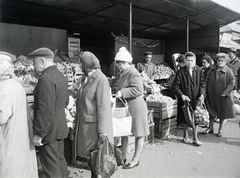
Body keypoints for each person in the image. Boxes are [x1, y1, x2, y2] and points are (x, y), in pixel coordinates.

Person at [28, 47, 69, 178]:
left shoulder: (45, 79)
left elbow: (45, 110)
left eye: (34, 63)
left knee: (51, 169)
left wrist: (39, 134)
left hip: (48, 130)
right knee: (60, 162)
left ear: (42, 61)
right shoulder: (60, 76)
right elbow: (65, 101)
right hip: (59, 128)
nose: (34, 66)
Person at [74, 51, 114, 178]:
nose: (80, 66)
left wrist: (103, 131)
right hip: (87, 129)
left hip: (95, 130)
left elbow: (104, 107)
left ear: (87, 64)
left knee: (98, 164)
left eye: (81, 63)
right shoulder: (87, 78)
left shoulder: (100, 79)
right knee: (93, 162)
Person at [110, 47, 149, 169]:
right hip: (127, 107)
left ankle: (135, 159)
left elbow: (139, 89)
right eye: (118, 63)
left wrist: (123, 92)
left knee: (139, 133)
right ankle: (122, 157)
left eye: (120, 63)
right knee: (124, 131)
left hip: (136, 107)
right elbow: (115, 82)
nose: (118, 66)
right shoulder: (123, 72)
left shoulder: (133, 73)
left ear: (127, 63)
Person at [0, 52, 38, 178]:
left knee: (9, 169)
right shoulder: (17, 86)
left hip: (9, 137)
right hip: (20, 136)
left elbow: (2, 117)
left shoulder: (4, 89)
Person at [172, 51, 205, 146]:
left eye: (192, 60)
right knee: (185, 117)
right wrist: (181, 95)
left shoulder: (199, 70)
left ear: (195, 61)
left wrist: (202, 94)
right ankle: (185, 136)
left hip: (196, 98)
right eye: (188, 60)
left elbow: (203, 83)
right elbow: (175, 86)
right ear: (185, 61)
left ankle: (195, 138)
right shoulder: (180, 72)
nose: (190, 62)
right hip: (185, 99)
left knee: (196, 118)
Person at [204, 53, 235, 137]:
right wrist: (204, 93)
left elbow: (232, 83)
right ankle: (210, 127)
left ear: (225, 62)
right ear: (216, 61)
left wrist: (226, 92)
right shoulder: (211, 70)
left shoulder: (228, 71)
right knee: (211, 112)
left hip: (223, 96)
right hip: (212, 95)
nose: (220, 62)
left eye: (222, 61)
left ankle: (220, 129)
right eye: (219, 61)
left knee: (222, 113)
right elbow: (205, 82)